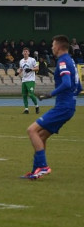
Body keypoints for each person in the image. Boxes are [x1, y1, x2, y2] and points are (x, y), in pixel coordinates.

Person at [23, 35, 80, 179]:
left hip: (63, 107)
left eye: (53, 45)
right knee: (41, 136)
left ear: (59, 47)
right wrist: (70, 99)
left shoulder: (62, 61)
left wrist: (50, 94)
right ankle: (37, 171)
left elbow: (66, 83)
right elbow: (78, 87)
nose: (52, 47)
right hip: (68, 106)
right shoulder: (71, 61)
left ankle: (43, 166)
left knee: (31, 130)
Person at [17, 47, 41, 115]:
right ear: (22, 53)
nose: (25, 52)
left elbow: (37, 68)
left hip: (31, 80)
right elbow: (21, 68)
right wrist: (18, 72)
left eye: (26, 51)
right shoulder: (21, 61)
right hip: (24, 80)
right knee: (24, 95)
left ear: (29, 53)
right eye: (24, 51)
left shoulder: (32, 60)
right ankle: (26, 109)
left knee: (31, 94)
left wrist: (30, 69)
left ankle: (37, 106)